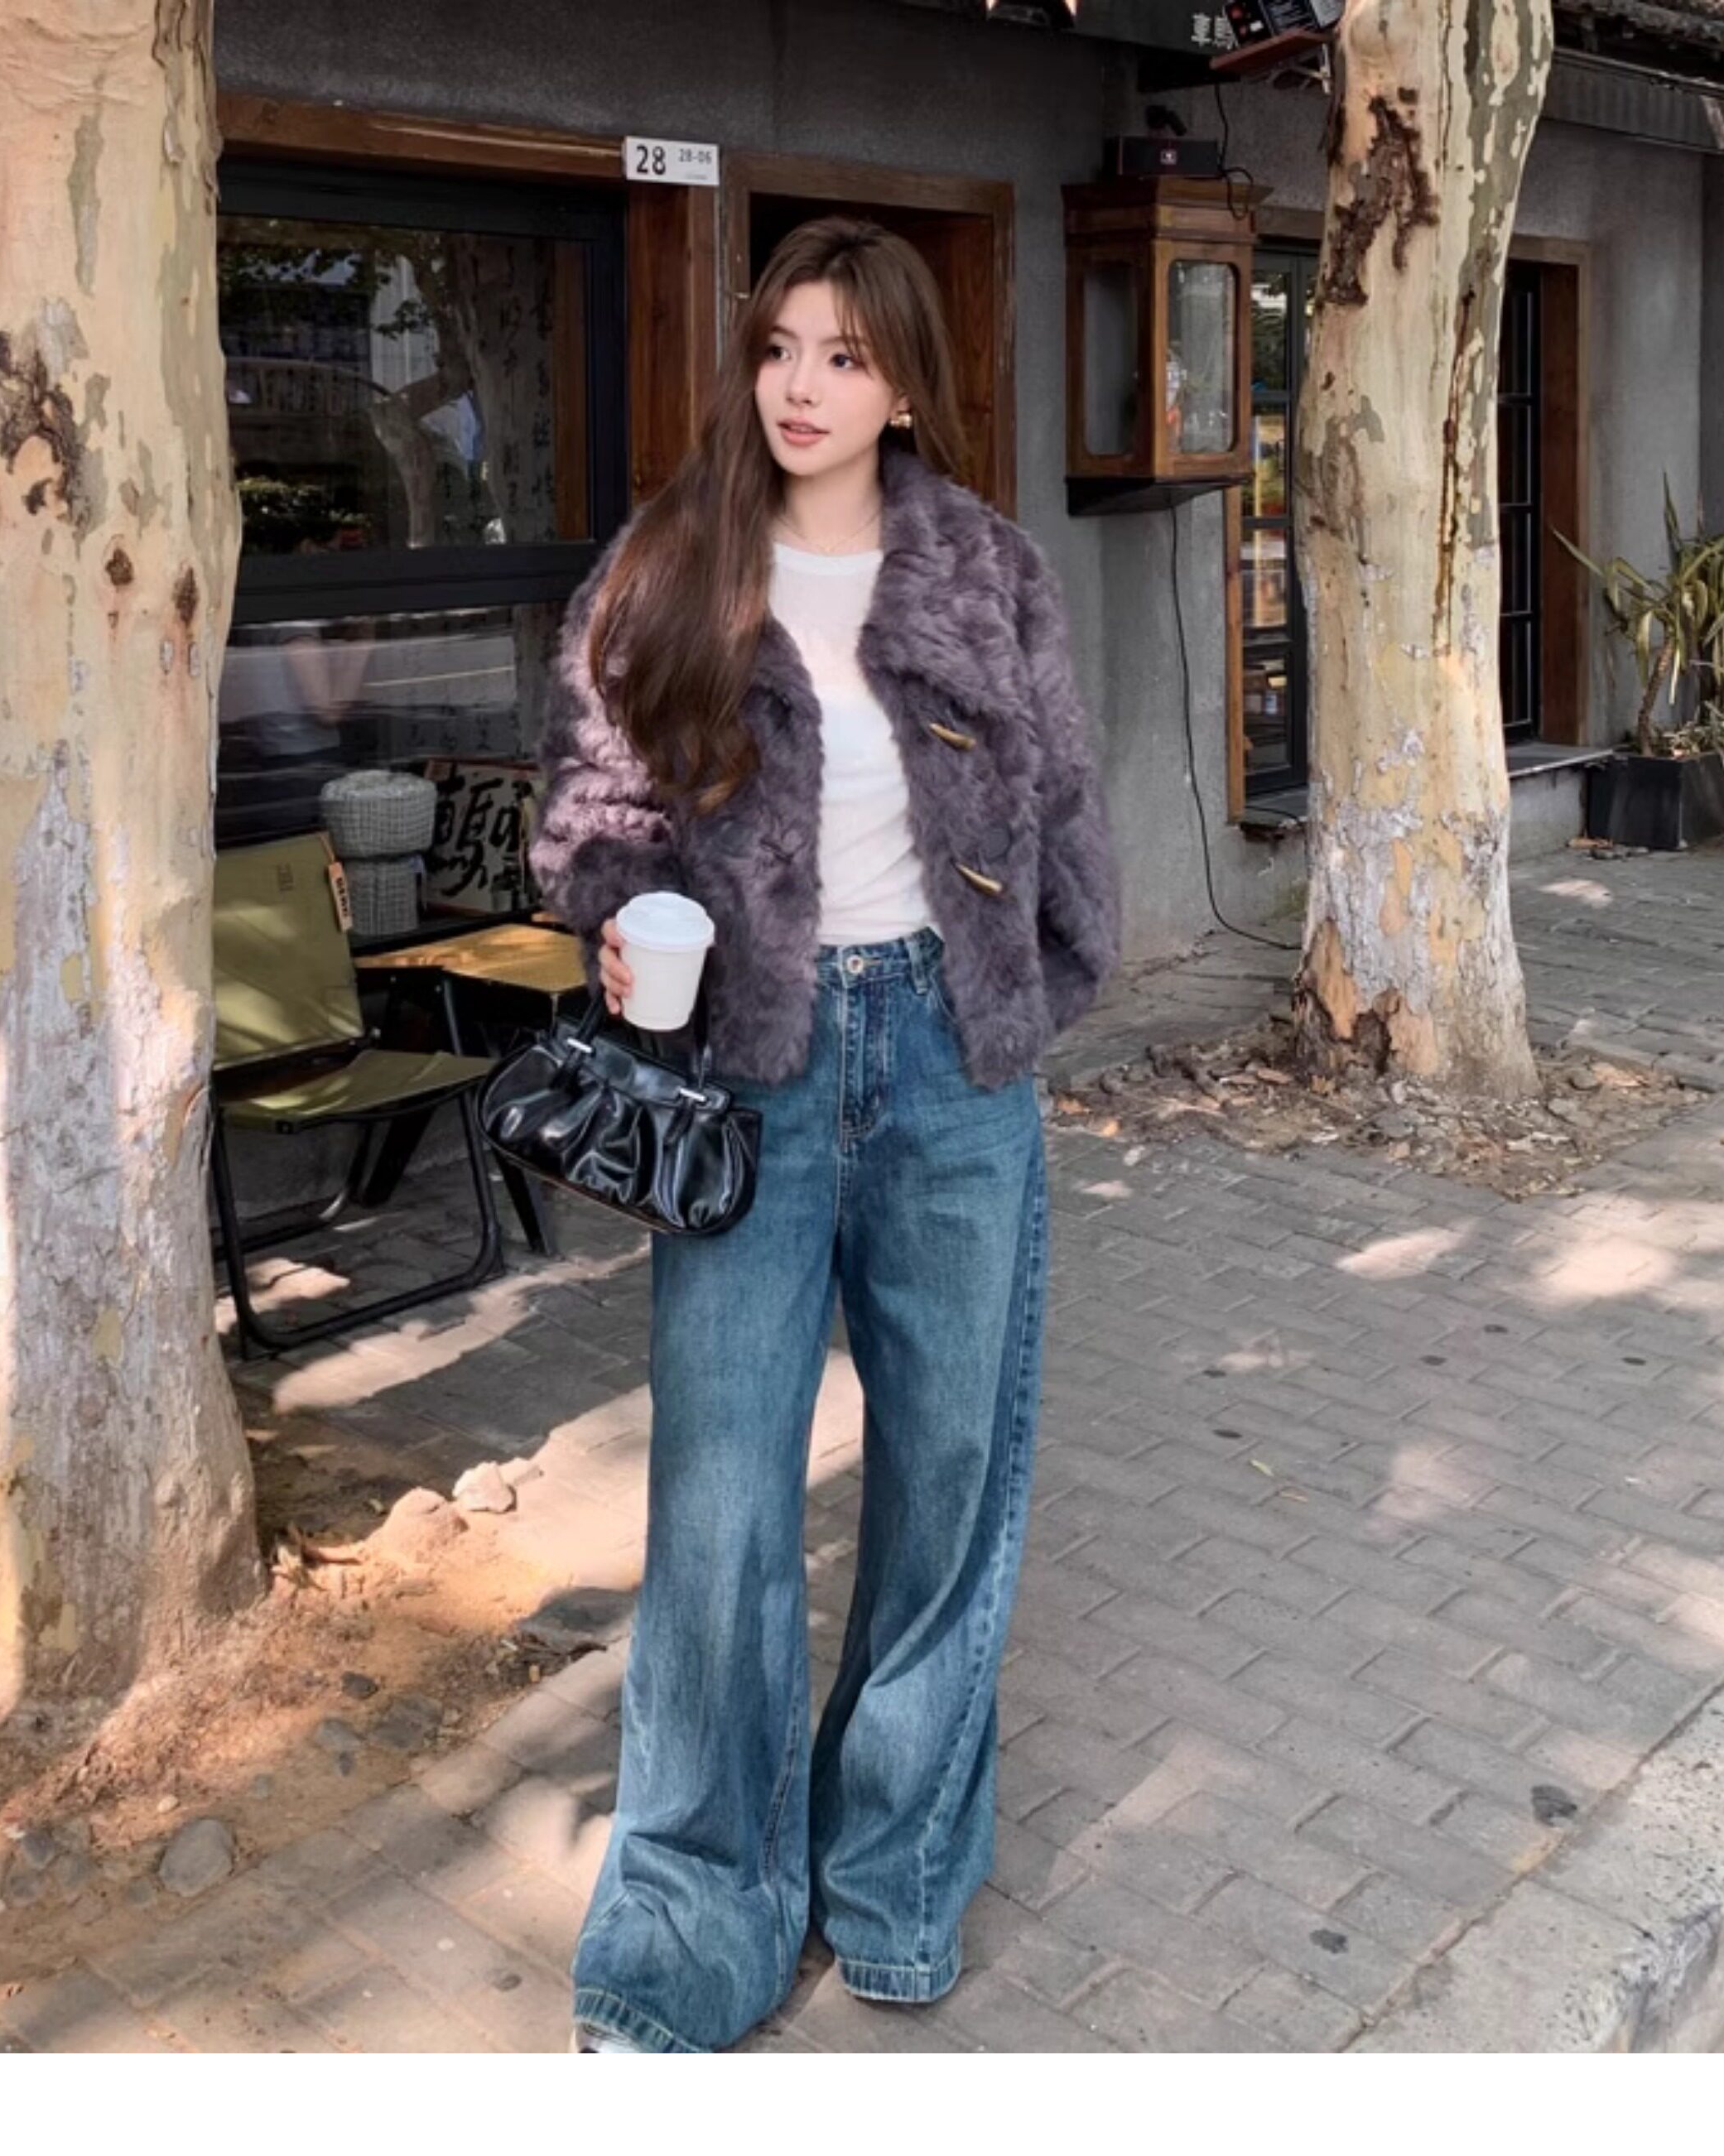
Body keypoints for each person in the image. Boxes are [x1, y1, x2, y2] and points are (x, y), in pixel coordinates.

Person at [528, 216, 1119, 2054]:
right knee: (721, 1511)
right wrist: (621, 908)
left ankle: (895, 1880)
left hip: (948, 1070)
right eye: (781, 346)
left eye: (845, 356)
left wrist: (1036, 981)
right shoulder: (671, 561)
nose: (802, 387)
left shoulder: (985, 568)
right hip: (754, 1069)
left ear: (906, 385)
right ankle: (689, 1927)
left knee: (950, 1482)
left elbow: (1061, 797)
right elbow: (592, 801)